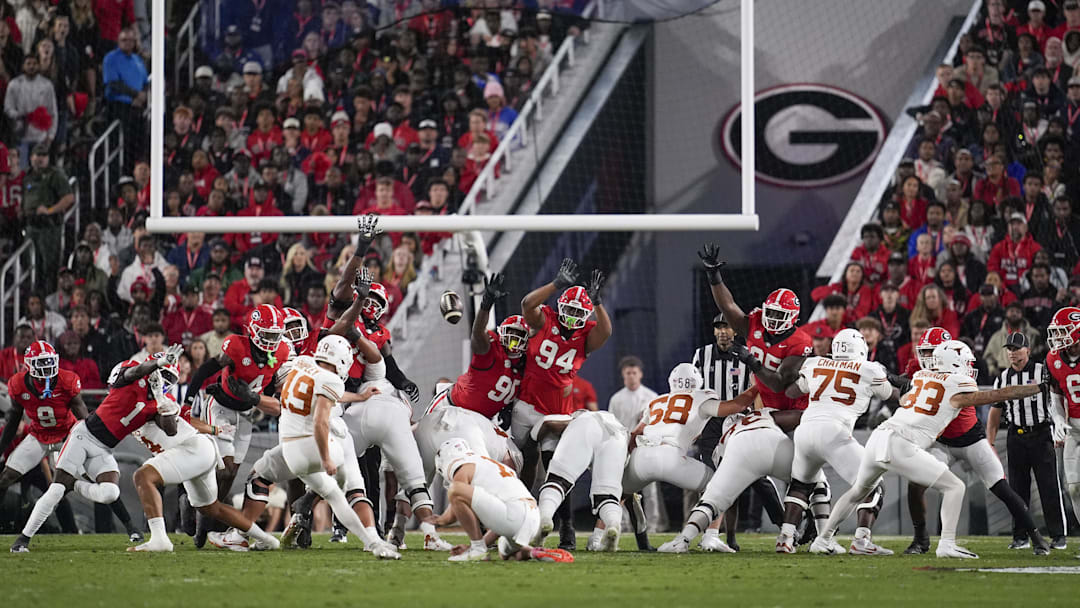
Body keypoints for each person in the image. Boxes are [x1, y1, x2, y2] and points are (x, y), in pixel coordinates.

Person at [811, 341, 1049, 559]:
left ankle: (823, 539)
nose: (969, 368)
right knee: (955, 486)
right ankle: (946, 544)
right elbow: (998, 395)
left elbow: (906, 398)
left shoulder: (922, 376)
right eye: (966, 363)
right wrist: (1036, 388)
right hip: (902, 443)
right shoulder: (957, 383)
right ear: (955, 363)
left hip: (879, 436)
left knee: (857, 491)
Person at [9, 347, 182, 553]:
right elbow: (133, 372)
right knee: (56, 490)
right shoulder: (132, 374)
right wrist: (157, 363)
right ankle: (23, 539)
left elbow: (171, 430)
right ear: (154, 370)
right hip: (84, 435)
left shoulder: (159, 403)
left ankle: (75, 485)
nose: (166, 382)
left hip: (104, 448)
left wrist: (162, 401)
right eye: (163, 375)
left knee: (110, 493)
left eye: (170, 378)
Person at [513, 258, 611, 551]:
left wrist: (598, 303)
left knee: (556, 467)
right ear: (559, 307)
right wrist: (556, 284)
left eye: (578, 313)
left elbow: (605, 332)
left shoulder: (586, 334)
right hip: (525, 405)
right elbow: (527, 304)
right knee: (521, 463)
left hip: (555, 411)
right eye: (568, 309)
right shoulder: (545, 318)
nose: (571, 317)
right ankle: (518, 517)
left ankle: (566, 527)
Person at [778, 329, 895, 555]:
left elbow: (792, 392)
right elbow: (890, 394)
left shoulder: (815, 363)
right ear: (861, 349)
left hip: (806, 429)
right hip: (834, 432)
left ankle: (785, 537)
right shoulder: (869, 369)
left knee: (801, 485)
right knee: (874, 484)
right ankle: (861, 540)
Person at [183, 304, 289, 547]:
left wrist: (259, 398)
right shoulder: (236, 345)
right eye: (267, 335)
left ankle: (204, 519)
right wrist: (189, 401)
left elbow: (271, 384)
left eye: (275, 335)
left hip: (247, 414)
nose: (273, 341)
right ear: (252, 331)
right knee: (226, 469)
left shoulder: (281, 351)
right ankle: (189, 497)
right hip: (221, 408)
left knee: (229, 477)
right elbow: (207, 369)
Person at [657, 387, 798, 554]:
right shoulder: (766, 413)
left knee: (712, 498)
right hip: (770, 446)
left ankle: (684, 539)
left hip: (735, 449)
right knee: (808, 483)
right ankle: (795, 535)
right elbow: (798, 417)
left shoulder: (719, 418)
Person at [987, 332, 1069, 550]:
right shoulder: (1003, 378)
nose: (1013, 353)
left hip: (1041, 433)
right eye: (1010, 349)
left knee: (1049, 486)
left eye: (1017, 348)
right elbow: (995, 412)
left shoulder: (1043, 371)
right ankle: (1020, 536)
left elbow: (1059, 397)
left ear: (1028, 350)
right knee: (1017, 489)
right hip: (1016, 436)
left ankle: (1058, 535)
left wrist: (1061, 427)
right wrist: (990, 442)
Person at [433, 438, 573, 563]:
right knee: (506, 553)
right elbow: (499, 521)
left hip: (515, 514)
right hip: (530, 517)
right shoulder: (488, 465)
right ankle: (532, 552)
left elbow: (455, 496)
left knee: (456, 489)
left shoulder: (464, 465)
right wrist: (473, 546)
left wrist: (438, 521)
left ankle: (477, 551)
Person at [534, 408, 628, 551]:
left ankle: (544, 518)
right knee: (606, 497)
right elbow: (626, 492)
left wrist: (533, 439)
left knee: (558, 481)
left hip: (584, 425)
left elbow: (547, 423)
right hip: (618, 435)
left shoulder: (580, 418)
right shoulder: (612, 422)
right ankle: (613, 523)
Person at [20, 144, 73, 292]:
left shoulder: (55, 175)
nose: (41, 159)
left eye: (44, 156)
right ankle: (33, 296)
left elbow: (69, 198)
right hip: (30, 227)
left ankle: (50, 297)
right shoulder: (27, 176)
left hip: (48, 228)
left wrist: (50, 210)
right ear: (31, 157)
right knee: (31, 265)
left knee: (49, 266)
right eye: (38, 155)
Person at [4, 55, 57, 166]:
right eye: (28, 64)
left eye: (34, 64)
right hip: (20, 135)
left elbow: (52, 112)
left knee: (39, 171)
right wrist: (21, 115)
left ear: (38, 66)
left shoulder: (47, 85)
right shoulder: (14, 84)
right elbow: (8, 108)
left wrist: (50, 136)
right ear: (23, 66)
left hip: (40, 137)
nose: (31, 67)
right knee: (22, 168)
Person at [987, 212, 1042, 290]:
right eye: (1012, 224)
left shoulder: (1035, 248)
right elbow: (992, 269)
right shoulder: (998, 247)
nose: (1015, 227)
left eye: (1019, 224)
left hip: (1027, 288)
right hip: (1003, 289)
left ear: (1026, 227)